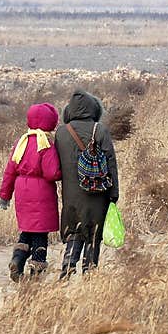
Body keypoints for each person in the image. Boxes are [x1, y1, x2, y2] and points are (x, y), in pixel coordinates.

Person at [55, 89, 119, 279]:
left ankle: (67, 266)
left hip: (71, 194)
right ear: (94, 108)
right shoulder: (100, 130)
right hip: (97, 192)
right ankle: (89, 273)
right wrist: (114, 192)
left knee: (74, 229)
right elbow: (110, 162)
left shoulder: (61, 132)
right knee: (93, 232)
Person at [0, 102, 62, 281]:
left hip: (21, 191)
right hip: (41, 192)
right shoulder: (46, 144)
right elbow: (52, 173)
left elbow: (10, 170)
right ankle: (36, 273)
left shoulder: (21, 142)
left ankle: (17, 260)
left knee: (27, 230)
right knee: (40, 234)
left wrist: (4, 196)